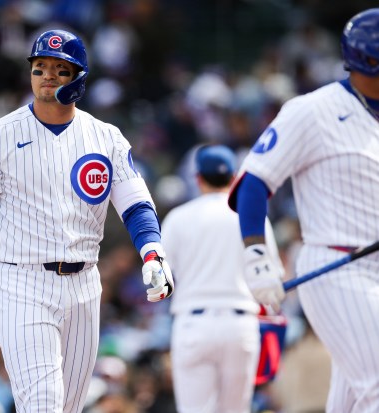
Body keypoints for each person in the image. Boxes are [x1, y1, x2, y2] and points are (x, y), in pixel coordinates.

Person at [0, 29, 174, 413]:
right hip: (21, 281)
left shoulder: (105, 137)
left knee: (68, 407)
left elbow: (136, 205)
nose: (47, 75)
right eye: (40, 67)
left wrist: (153, 253)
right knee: (44, 404)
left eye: (59, 69)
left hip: (85, 283)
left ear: (79, 78)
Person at [228, 8, 379, 412]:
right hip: (339, 266)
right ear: (370, 60)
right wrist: (258, 254)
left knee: (352, 397)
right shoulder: (312, 110)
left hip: (373, 269)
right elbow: (254, 182)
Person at [161, 145, 282, 413]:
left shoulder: (178, 217)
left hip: (193, 322)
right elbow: (271, 273)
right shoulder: (252, 218)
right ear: (234, 176)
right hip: (240, 324)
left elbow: (161, 277)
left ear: (198, 177)